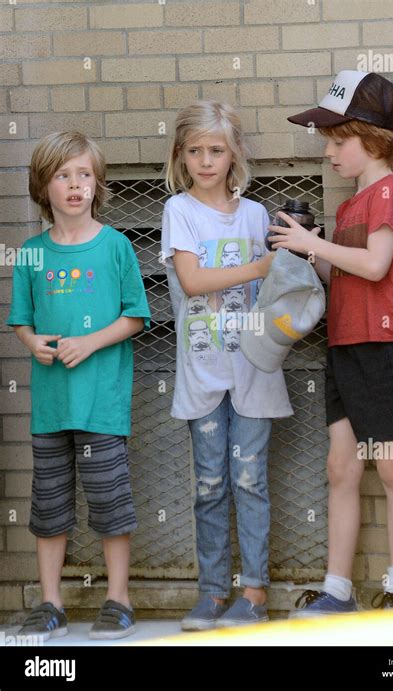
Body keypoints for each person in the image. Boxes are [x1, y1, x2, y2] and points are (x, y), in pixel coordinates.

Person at [269, 71, 393, 614]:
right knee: (342, 466)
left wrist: (316, 244)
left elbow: (377, 267)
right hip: (345, 347)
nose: (329, 151)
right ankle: (338, 589)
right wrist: (307, 253)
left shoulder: (389, 196)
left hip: (385, 349)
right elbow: (350, 276)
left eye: (339, 140)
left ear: (375, 139)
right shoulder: (352, 204)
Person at [7, 131, 151, 639]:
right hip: (51, 407)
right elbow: (21, 320)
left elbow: (136, 316)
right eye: (63, 175)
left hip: (101, 405)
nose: (74, 185)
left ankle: (118, 598)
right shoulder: (30, 253)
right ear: (42, 187)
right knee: (48, 505)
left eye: (84, 174)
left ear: (98, 183)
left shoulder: (116, 246)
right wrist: (31, 342)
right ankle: (50, 603)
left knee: (110, 500)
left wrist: (88, 342)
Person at [162, 101, 293, 630]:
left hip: (254, 373)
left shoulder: (256, 215)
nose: (206, 160)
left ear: (233, 153)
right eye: (195, 151)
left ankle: (255, 594)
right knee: (210, 483)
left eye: (216, 150)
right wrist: (259, 265)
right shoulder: (180, 211)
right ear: (181, 156)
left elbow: (275, 291)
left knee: (249, 480)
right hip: (203, 371)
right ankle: (213, 592)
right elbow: (192, 282)